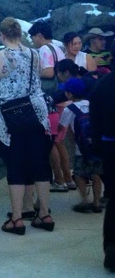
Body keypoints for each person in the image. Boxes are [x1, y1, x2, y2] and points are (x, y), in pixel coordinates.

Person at [0, 17, 54, 235]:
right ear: (20, 34)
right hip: (36, 113)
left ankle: (17, 219)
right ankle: (44, 214)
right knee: (40, 164)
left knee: (16, 165)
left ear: (1, 35)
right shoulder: (34, 54)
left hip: (10, 118)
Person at [57, 78, 104, 214]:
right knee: (96, 174)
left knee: (78, 174)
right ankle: (96, 203)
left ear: (69, 94)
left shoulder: (69, 109)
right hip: (97, 147)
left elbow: (62, 127)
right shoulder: (92, 104)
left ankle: (84, 201)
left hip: (81, 150)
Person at [89, 71, 115, 272]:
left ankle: (112, 252)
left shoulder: (102, 85)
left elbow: (94, 123)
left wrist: (98, 150)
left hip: (109, 147)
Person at [28, 21, 65, 97]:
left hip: (52, 90)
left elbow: (49, 72)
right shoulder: (57, 48)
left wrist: (32, 72)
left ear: (39, 35)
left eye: (32, 37)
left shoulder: (45, 49)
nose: (32, 41)